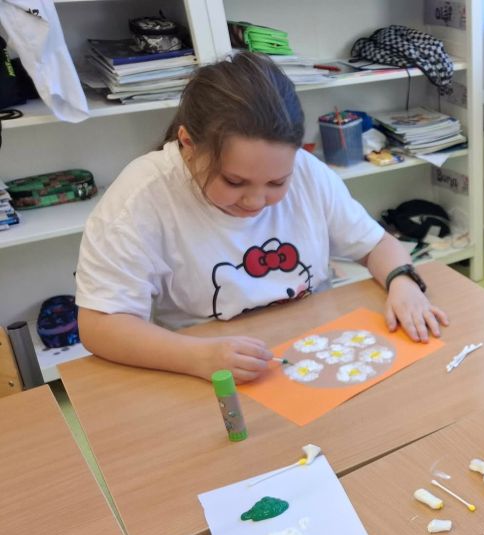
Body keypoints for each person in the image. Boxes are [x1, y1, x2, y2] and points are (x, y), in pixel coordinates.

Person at [75, 52, 447, 383]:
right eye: (234, 181)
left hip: (313, 353)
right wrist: (198, 357)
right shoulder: (142, 197)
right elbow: (99, 324)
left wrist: (402, 281)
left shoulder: (308, 172)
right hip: (206, 370)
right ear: (188, 144)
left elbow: (376, 244)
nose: (255, 201)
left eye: (276, 182)